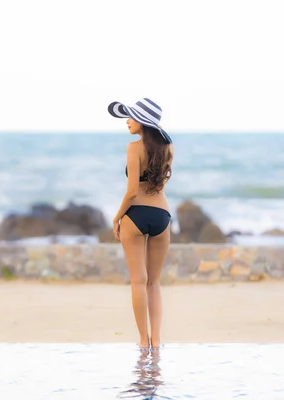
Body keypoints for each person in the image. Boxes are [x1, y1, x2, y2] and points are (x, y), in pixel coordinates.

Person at [107, 98, 174, 350]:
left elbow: (132, 191)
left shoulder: (133, 148)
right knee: (154, 282)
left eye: (131, 117)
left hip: (135, 216)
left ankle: (143, 341)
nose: (127, 121)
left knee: (138, 281)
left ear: (143, 123)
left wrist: (117, 218)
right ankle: (156, 340)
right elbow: (160, 185)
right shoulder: (169, 148)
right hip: (161, 215)